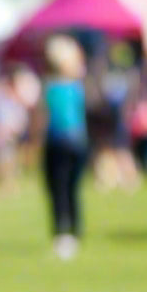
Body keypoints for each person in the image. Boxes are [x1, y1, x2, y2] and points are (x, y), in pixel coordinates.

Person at [39, 35, 89, 260]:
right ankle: (73, 229)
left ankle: (63, 230)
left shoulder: (51, 87)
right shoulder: (76, 86)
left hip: (59, 142)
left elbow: (42, 117)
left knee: (59, 188)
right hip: (76, 142)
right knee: (70, 188)